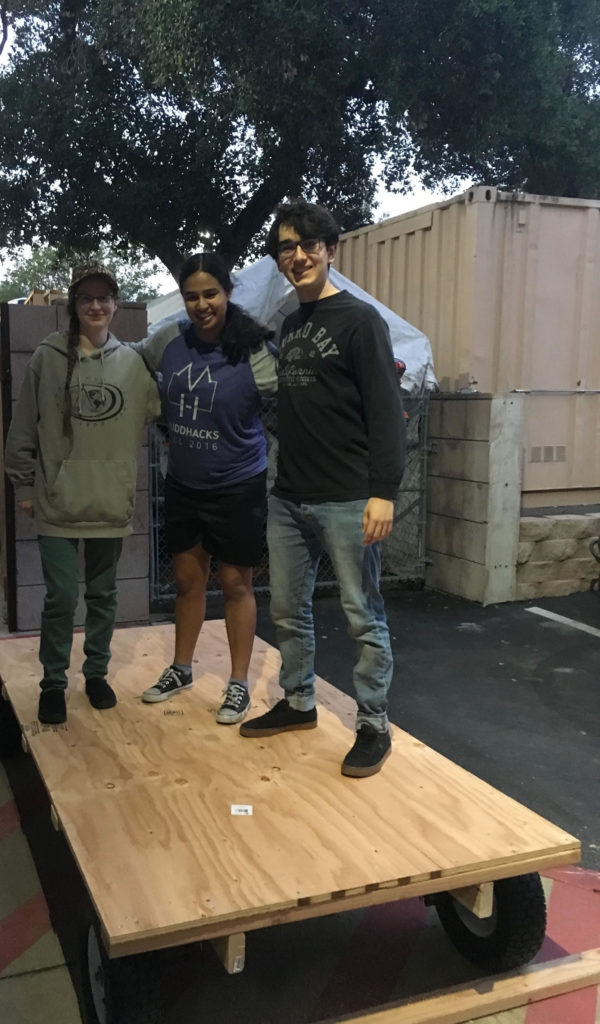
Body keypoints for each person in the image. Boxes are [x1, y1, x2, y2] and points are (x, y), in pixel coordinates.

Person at [239, 200, 406, 777]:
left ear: (331, 250)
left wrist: (383, 492)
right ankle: (298, 701)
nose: (299, 255)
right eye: (287, 246)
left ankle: (373, 724)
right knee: (287, 608)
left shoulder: (361, 322)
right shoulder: (291, 324)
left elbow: (387, 412)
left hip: (349, 497)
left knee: (363, 614)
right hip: (290, 498)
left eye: (310, 244)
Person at [4, 261, 161, 725]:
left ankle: (96, 673)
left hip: (108, 504)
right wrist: (24, 483)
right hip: (57, 501)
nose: (96, 305)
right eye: (86, 298)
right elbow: (24, 425)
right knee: (58, 598)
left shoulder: (133, 364)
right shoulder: (47, 358)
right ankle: (53, 681)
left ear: (115, 305)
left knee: (104, 594)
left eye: (104, 297)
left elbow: (170, 406)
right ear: (74, 306)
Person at [134, 253, 277, 725]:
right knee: (188, 582)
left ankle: (237, 683)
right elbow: (133, 366)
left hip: (238, 485)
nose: (201, 304)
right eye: (192, 296)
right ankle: (182, 669)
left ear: (228, 292)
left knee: (236, 584)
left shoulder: (254, 350)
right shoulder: (168, 340)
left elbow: (292, 402)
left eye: (210, 294)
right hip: (184, 484)